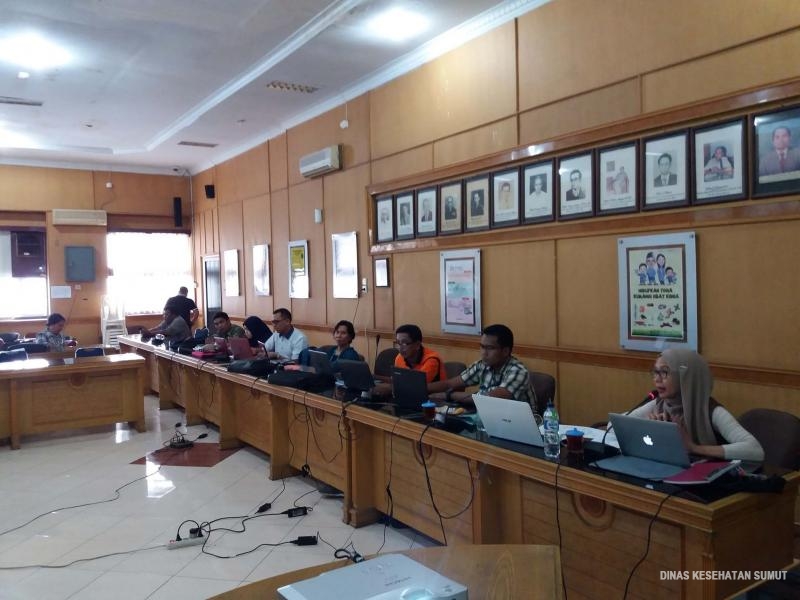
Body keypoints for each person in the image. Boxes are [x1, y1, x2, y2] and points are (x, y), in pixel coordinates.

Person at [627, 349, 763, 461]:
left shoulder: (709, 410)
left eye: (664, 372)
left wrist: (694, 448)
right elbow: (618, 425)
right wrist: (648, 429)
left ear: (686, 377)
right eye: (655, 372)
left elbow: (755, 450)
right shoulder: (659, 404)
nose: (657, 379)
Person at [428, 324, 534, 405]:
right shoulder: (482, 364)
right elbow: (450, 384)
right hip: (491, 417)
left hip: (520, 423)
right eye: (482, 347)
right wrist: (423, 388)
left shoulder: (518, 371)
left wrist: (449, 395)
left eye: (490, 348)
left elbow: (488, 399)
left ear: (505, 351)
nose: (484, 352)